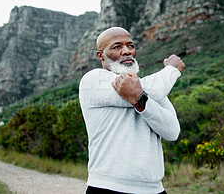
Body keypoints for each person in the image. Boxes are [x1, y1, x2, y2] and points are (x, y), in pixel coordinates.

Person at [79, 27, 185, 194]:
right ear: (100, 55)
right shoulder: (93, 80)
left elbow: (172, 132)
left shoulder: (150, 89)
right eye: (117, 47)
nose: (126, 51)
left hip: (155, 189)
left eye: (130, 46)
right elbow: (154, 89)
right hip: (108, 188)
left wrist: (140, 101)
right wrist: (171, 70)